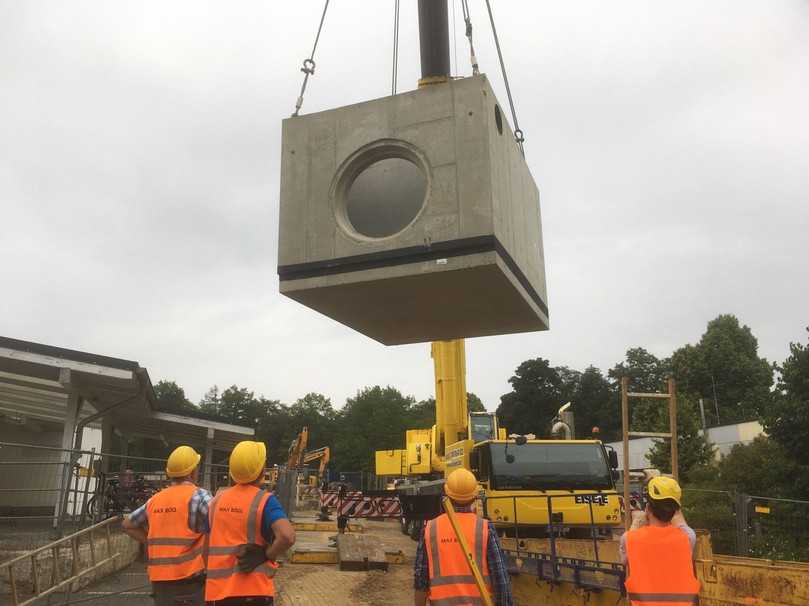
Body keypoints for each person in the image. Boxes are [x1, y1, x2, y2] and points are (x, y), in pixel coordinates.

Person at [205, 440, 296, 606]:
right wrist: (266, 554)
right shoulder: (265, 500)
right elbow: (287, 536)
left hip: (218, 592)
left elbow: (206, 545)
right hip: (254, 591)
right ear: (262, 470)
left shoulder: (216, 501)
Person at [122, 445, 210, 606]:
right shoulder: (199, 496)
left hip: (160, 582)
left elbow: (128, 524)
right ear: (192, 472)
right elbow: (220, 521)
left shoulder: (156, 499)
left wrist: (151, 541)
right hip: (189, 581)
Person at [413, 468, 514, 606]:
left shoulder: (430, 529)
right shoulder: (485, 528)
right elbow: (500, 580)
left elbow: (421, 581)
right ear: (474, 496)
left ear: (446, 493)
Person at [621, 476, 700, 605]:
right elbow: (679, 518)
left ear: (648, 508)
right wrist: (669, 495)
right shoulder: (687, 537)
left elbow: (624, 560)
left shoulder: (629, 539)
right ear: (674, 510)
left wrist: (637, 519)